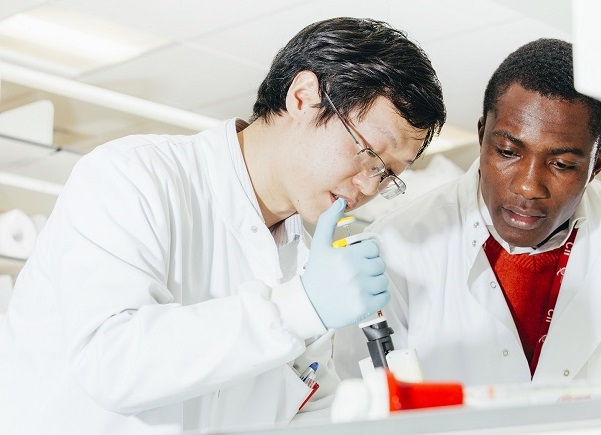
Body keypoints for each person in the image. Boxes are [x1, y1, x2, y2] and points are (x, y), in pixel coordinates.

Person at [0, 17, 445, 434]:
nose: (368, 185)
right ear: (303, 96)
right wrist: (294, 310)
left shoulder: (306, 262)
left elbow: (301, 405)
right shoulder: (131, 176)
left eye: (388, 175)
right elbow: (112, 364)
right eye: (369, 152)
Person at [334, 38, 601, 387]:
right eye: (507, 151)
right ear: (482, 136)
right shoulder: (396, 246)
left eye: (562, 164)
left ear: (596, 165)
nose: (528, 187)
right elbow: (356, 394)